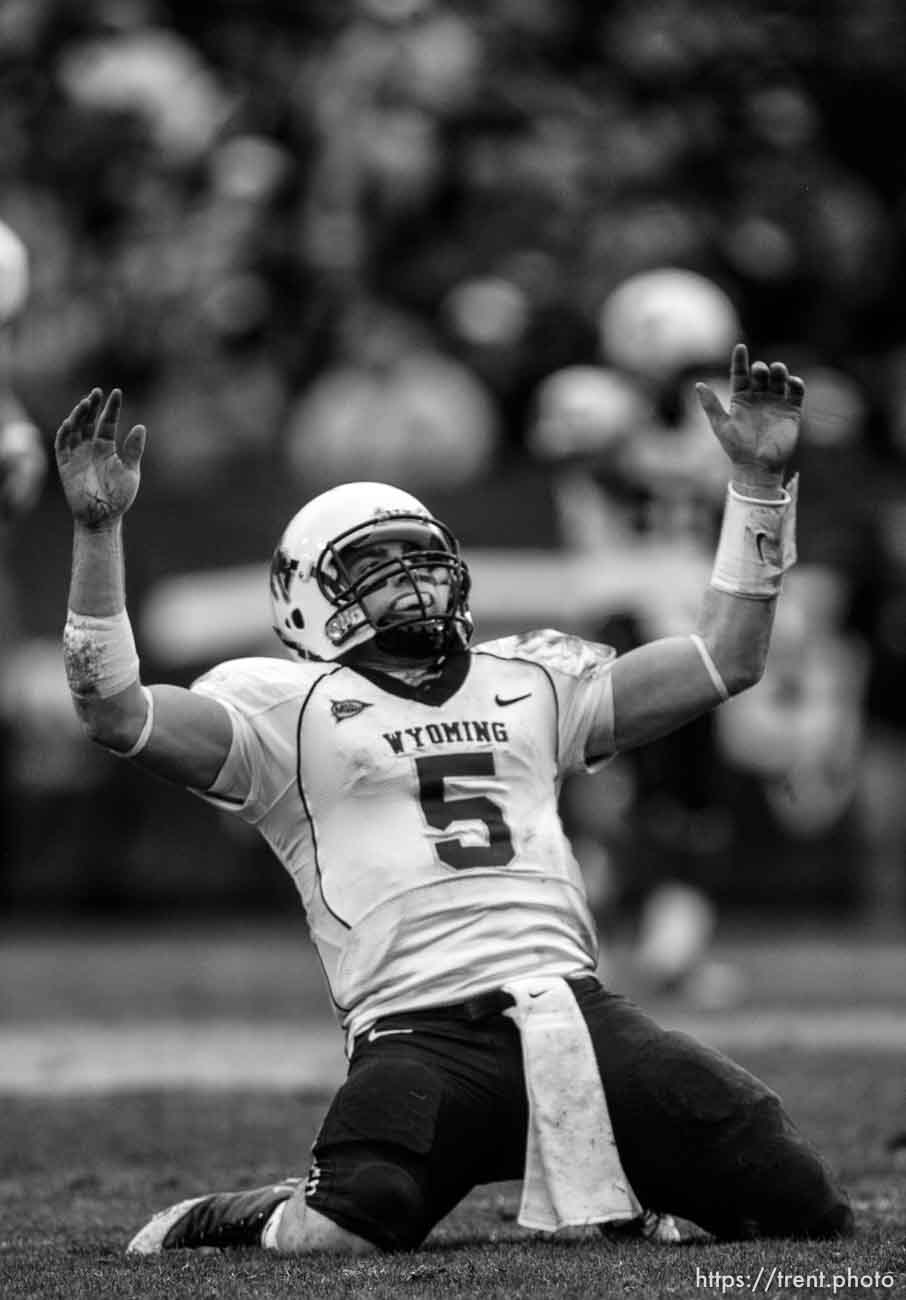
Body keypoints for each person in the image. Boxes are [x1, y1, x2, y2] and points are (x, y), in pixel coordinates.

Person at [55, 345, 853, 1255]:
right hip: (420, 1036)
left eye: (424, 562)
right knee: (341, 1233)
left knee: (799, 1199)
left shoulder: (534, 677)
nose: (414, 582)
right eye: (379, 567)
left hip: (577, 1010)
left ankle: (640, 1177)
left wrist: (758, 482)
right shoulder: (279, 707)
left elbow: (725, 659)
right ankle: (239, 1212)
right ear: (309, 596)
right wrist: (96, 531)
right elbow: (112, 708)